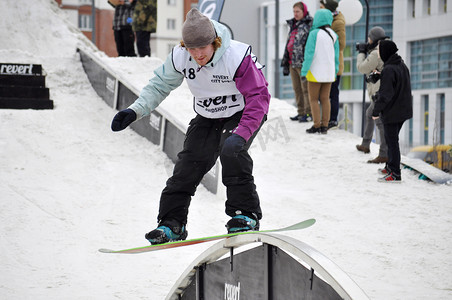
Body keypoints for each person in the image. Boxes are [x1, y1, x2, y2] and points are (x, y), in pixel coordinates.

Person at [111, 8, 271, 244]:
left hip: (242, 112)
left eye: (202, 48)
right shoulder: (181, 55)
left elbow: (259, 97)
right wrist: (135, 110)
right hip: (207, 116)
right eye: (191, 48)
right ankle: (172, 224)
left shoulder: (235, 57)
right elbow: (159, 86)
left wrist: (243, 133)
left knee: (232, 151)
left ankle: (245, 215)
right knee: (188, 164)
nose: (197, 54)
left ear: (214, 42)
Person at [372, 40, 413, 182]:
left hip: (393, 111)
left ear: (385, 52)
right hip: (403, 109)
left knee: (391, 141)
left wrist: (376, 111)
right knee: (391, 139)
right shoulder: (400, 65)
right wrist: (381, 76)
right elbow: (397, 85)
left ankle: (395, 173)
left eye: (379, 52)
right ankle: (390, 166)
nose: (378, 55)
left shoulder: (389, 69)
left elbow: (385, 95)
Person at [301, 8, 339, 134]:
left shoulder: (314, 33)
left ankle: (316, 125)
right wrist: (335, 71)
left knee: (313, 99)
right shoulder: (334, 35)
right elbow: (336, 56)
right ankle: (325, 126)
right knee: (325, 98)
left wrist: (304, 71)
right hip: (329, 73)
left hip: (315, 72)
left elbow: (309, 54)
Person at [355, 26, 389, 164]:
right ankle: (365, 144)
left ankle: (384, 154)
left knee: (379, 121)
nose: (367, 41)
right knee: (370, 114)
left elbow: (362, 68)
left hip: (379, 92)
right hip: (383, 90)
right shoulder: (385, 48)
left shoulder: (376, 53)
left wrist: (362, 52)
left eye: (369, 39)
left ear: (374, 39)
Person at [281, 2, 313, 123]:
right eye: (294, 12)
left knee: (305, 89)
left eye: (297, 12)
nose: (295, 14)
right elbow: (289, 43)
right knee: (297, 89)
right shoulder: (293, 25)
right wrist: (285, 62)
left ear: (303, 11)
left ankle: (308, 112)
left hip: (302, 63)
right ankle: (300, 112)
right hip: (292, 62)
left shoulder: (308, 24)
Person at [319, 0, 345, 130]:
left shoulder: (338, 22)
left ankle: (332, 119)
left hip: (334, 64)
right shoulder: (329, 20)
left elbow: (341, 44)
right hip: (325, 63)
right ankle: (325, 119)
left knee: (332, 93)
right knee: (324, 93)